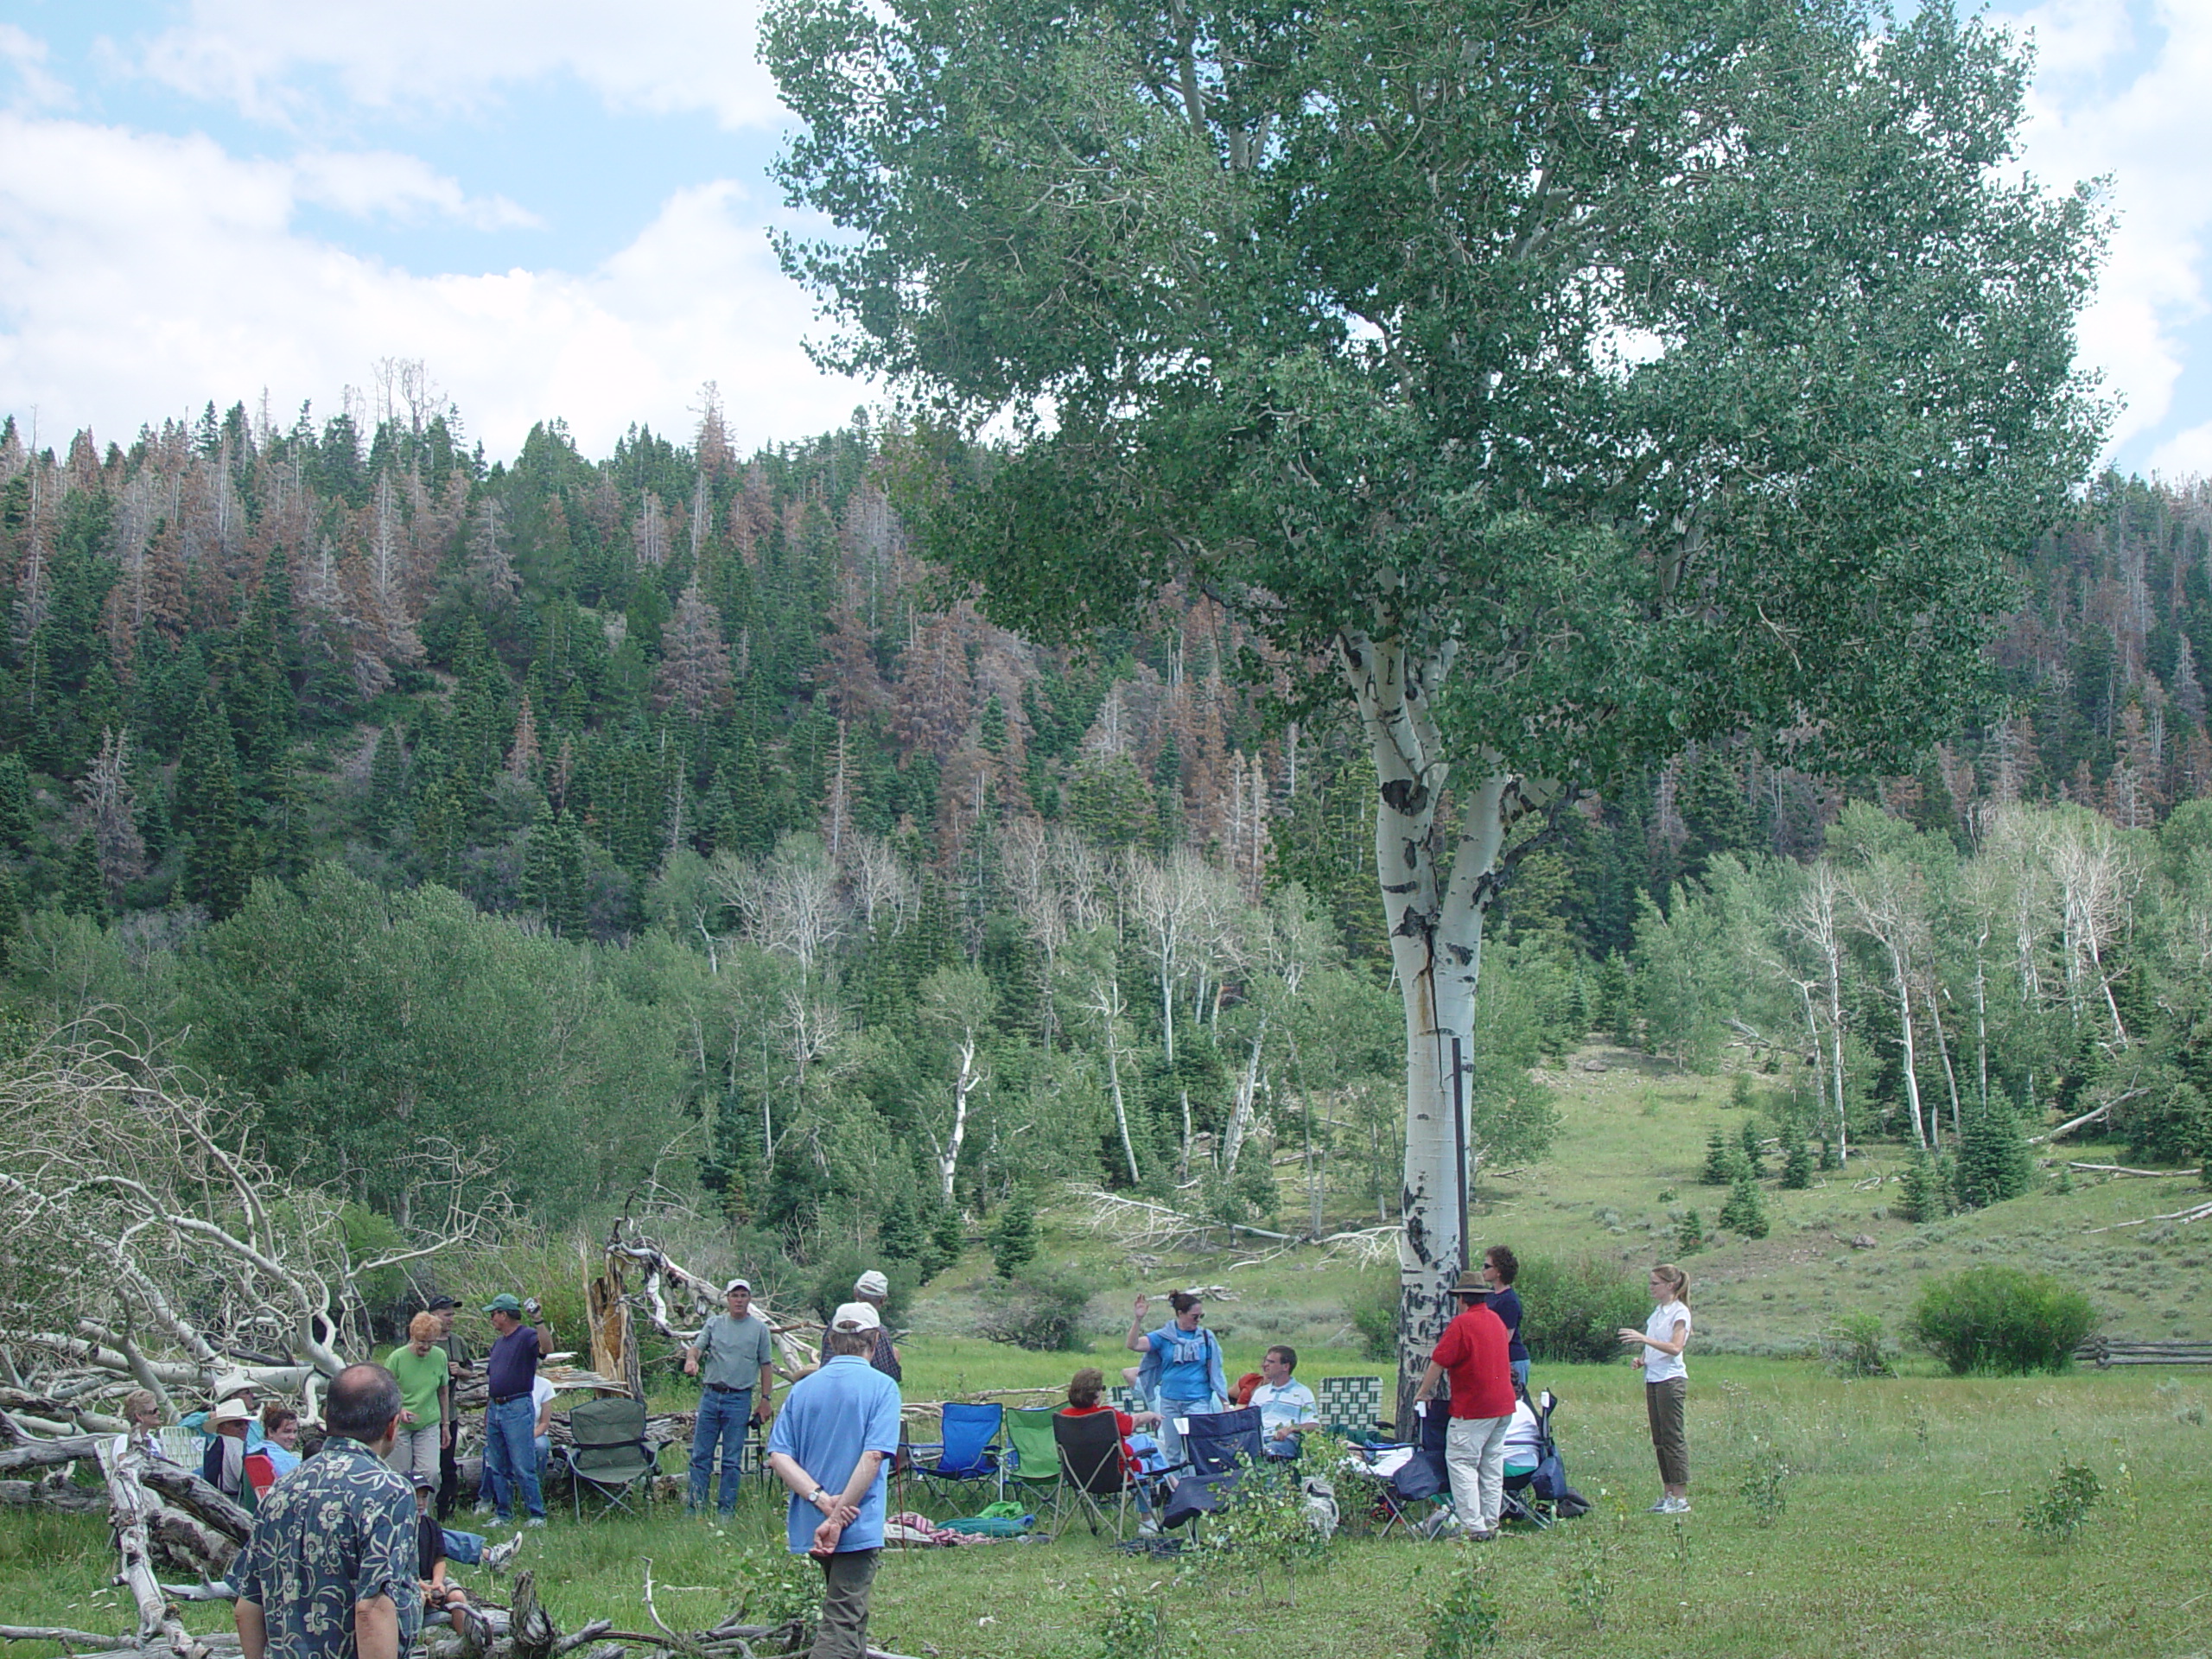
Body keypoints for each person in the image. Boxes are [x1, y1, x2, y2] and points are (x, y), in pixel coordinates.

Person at [232, 1363, 419, 1659]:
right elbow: (373, 1608)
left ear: (328, 1418)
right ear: (392, 1425)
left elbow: (247, 1606)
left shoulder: (280, 1489)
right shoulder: (388, 1491)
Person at [765, 1302, 901, 1659]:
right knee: (842, 1614)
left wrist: (821, 1500)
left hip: (814, 1522)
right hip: (855, 1522)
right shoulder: (883, 1387)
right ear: (874, 1341)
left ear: (831, 1340)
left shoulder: (804, 1389)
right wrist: (840, 1515)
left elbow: (778, 1455)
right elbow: (873, 1456)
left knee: (849, 1608)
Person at [1411, 1268, 1516, 1541]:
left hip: (1474, 1407)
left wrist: (1423, 1391)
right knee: (1491, 1464)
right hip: (1503, 1405)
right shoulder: (1495, 1320)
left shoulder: (1462, 1324)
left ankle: (1474, 1526)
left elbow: (1439, 1360)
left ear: (1461, 1300)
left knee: (1461, 1462)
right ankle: (1491, 1522)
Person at [683, 1277, 778, 1516]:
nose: (738, 1300)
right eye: (734, 1295)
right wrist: (691, 1359)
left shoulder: (759, 1330)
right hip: (711, 1395)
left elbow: (766, 1365)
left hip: (739, 1399)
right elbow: (697, 1347)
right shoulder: (714, 1324)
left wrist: (765, 1400)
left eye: (743, 1296)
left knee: (731, 1459)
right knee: (700, 1455)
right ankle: (695, 1507)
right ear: (727, 1299)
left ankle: (726, 1510)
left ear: (749, 1299)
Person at [1619, 1262, 1693, 1515]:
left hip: (1670, 1380)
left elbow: (1675, 1347)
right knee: (1659, 1438)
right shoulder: (1658, 1312)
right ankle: (1668, 1494)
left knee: (1673, 1437)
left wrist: (1643, 1338)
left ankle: (1680, 1498)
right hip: (1653, 1377)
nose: (1651, 1288)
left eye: (1655, 1283)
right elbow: (1657, 1347)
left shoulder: (1679, 1312)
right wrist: (1643, 1358)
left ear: (1670, 1285)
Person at [1126, 1291, 1227, 1469]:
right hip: (1170, 1401)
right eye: (1194, 1316)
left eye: (1201, 1316)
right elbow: (1133, 1345)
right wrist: (1138, 1319)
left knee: (1199, 1448)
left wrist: (1224, 1402)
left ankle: (1201, 1487)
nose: (1198, 1320)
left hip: (1198, 1401)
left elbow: (1216, 1372)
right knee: (1173, 1452)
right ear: (1180, 1314)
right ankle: (1175, 1491)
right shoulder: (1164, 1336)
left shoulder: (1206, 1337)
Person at [1059, 1367, 1163, 1532]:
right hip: (1117, 1475)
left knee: (1145, 1440)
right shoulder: (1106, 1416)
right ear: (1096, 1394)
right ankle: (1149, 1520)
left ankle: (1172, 1485)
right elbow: (1131, 1423)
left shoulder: (1065, 1416)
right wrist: (1150, 1415)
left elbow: (1131, 1422)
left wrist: (1147, 1415)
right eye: (1102, 1388)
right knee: (1147, 1464)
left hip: (1080, 1476)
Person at [480, 1294, 548, 1529]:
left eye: (493, 1314)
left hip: (517, 1406)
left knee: (522, 1464)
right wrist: (488, 1412)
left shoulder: (527, 1335)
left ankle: (536, 1513)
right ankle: (504, 1514)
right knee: (497, 1464)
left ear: (504, 1314)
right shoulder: (498, 1344)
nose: (492, 1319)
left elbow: (546, 1348)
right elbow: (493, 1379)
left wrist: (538, 1321)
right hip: (496, 1406)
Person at [385, 1313, 450, 1491]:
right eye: (422, 1342)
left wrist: (445, 1425)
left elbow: (443, 1390)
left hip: (428, 1422)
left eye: (431, 1342)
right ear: (413, 1337)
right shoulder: (397, 1358)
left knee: (431, 1472)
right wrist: (400, 1409)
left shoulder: (440, 1356)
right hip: (400, 1424)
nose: (426, 1347)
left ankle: (423, 1516)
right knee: (400, 1475)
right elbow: (385, 1391)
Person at [425, 1296, 473, 1522]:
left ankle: (446, 1512)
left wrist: (459, 1371)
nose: (452, 1319)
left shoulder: (458, 1342)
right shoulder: (422, 1341)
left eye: (453, 1314)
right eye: (447, 1314)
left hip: (449, 1414)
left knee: (447, 1465)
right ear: (433, 1315)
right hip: (424, 1414)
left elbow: (470, 1372)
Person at [411, 1476, 469, 1638]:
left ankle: (464, 1641)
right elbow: (401, 1567)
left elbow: (440, 1558)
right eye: (415, 1496)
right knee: (420, 1598)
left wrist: (437, 1583)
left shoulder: (432, 1525)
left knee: (457, 1597)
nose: (420, 1502)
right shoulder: (398, 1527)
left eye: (424, 1497)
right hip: (410, 1582)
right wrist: (423, 1587)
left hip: (431, 1580)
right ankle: (413, 1644)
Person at [1248, 1346, 1320, 1459]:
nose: (1265, 1365)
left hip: (1283, 1441)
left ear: (1285, 1367)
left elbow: (1314, 1425)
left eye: (1271, 1362)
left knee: (1267, 1453)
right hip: (1259, 1440)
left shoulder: (1302, 1393)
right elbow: (1248, 1421)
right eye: (1266, 1361)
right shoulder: (1260, 1393)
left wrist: (1290, 1428)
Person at [1481, 1245, 1530, 1397]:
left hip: (1512, 1359)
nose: (1483, 1270)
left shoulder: (1509, 1301)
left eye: (1487, 1266)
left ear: (1499, 1271)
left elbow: (1506, 1337)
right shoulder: (1488, 1295)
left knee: (1513, 1401)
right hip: (1496, 1359)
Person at [183, 1376, 266, 1451]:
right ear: (233, 1397)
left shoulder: (253, 1424)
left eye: (245, 1424)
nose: (252, 1395)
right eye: (246, 1392)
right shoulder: (217, 1420)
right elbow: (183, 1424)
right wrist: (208, 1416)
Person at [851, 1270, 901, 1381]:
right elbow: (888, 1375)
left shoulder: (833, 1326)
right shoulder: (878, 1330)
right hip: (865, 1388)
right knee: (895, 1352)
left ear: (855, 1293)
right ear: (882, 1300)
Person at [203, 1396, 255, 1499]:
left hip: (215, 1496)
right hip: (234, 1499)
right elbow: (245, 1479)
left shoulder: (214, 1443)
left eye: (246, 1423)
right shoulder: (234, 1443)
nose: (244, 1428)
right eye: (238, 1424)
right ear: (221, 1427)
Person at [261, 1407, 302, 1479]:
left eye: (295, 1432)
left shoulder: (252, 1451)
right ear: (271, 1432)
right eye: (286, 1431)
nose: (292, 1437)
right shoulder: (288, 1460)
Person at [531, 1374, 559, 1482]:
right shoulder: (505, 1383)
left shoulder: (544, 1385)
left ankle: (538, 1486)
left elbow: (544, 1423)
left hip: (535, 1432)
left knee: (541, 1447)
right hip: (510, 1432)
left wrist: (529, 1437)